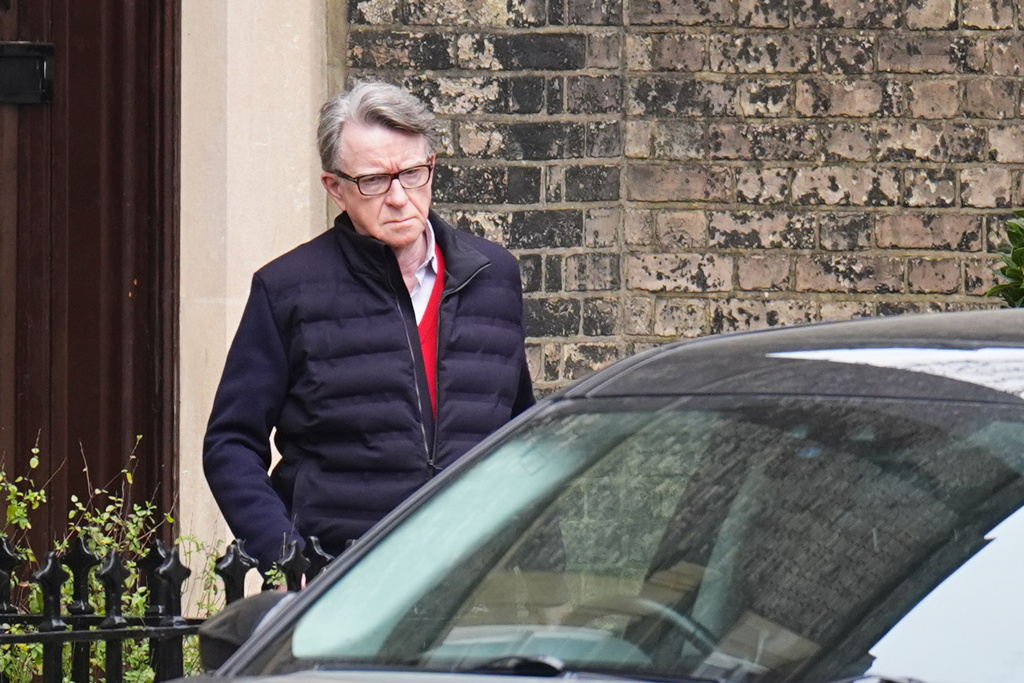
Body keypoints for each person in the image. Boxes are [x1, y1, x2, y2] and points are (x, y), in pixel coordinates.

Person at [202, 81, 535, 571]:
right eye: (374, 181)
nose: (400, 198)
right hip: (342, 580)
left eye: (413, 174)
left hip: (478, 580)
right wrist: (286, 558)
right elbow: (231, 443)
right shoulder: (287, 289)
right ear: (335, 188)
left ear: (432, 168)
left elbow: (521, 436)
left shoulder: (495, 276)